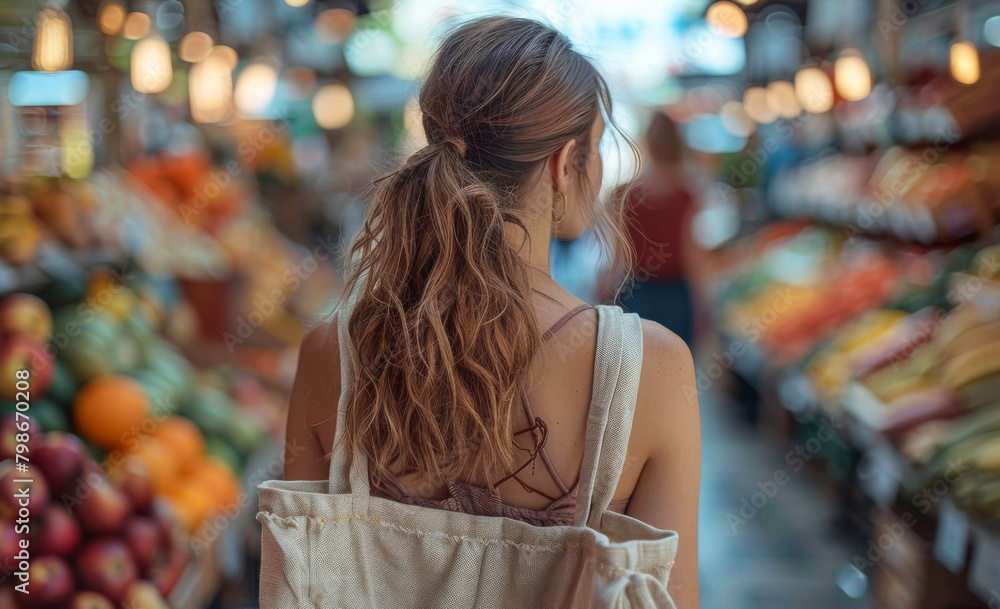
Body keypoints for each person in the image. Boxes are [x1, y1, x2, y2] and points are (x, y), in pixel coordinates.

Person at [283, 17, 701, 608]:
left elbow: (295, 587)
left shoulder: (333, 353)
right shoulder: (649, 371)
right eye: (599, 147)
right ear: (563, 164)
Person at [606, 111, 699, 348]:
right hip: (676, 294)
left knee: (636, 369)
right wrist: (703, 307)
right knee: (675, 368)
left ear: (646, 141)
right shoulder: (685, 194)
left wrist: (602, 291)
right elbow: (692, 258)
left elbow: (618, 256)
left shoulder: (623, 194)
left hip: (636, 292)